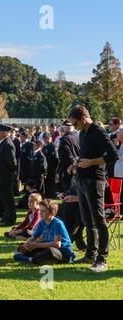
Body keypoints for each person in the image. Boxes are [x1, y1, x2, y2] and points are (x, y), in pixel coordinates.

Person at [68, 105, 119, 272]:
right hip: (82, 180)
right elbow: (85, 155)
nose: (74, 128)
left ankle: (102, 260)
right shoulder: (83, 133)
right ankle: (90, 254)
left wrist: (91, 162)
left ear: (83, 119)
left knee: (99, 221)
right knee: (87, 221)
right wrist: (77, 164)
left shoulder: (98, 130)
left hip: (95, 181)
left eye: (75, 124)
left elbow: (113, 155)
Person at [14, 199, 76, 265]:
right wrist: (25, 245)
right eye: (40, 210)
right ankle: (34, 258)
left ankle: (32, 258)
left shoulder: (57, 223)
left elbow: (57, 244)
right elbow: (33, 238)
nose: (40, 213)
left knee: (49, 252)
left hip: (62, 251)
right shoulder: (42, 222)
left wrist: (37, 245)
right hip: (48, 246)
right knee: (23, 249)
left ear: (52, 212)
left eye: (43, 211)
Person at [0, 124, 18, 226]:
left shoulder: (8, 144)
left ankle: (10, 220)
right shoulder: (2, 143)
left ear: (5, 132)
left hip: (4, 178)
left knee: (8, 200)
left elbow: (12, 163)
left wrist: (4, 174)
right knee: (4, 200)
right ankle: (6, 217)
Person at [58, 120, 80, 192]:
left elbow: (65, 157)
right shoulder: (78, 137)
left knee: (69, 196)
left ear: (63, 129)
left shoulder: (64, 140)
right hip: (79, 168)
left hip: (69, 171)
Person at [42, 132, 60, 199]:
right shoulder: (44, 147)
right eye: (44, 138)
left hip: (51, 170)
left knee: (51, 185)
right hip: (46, 169)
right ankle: (48, 196)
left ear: (50, 138)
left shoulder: (53, 147)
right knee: (47, 184)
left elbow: (56, 160)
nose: (45, 140)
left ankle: (52, 197)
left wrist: (55, 171)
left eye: (46, 138)